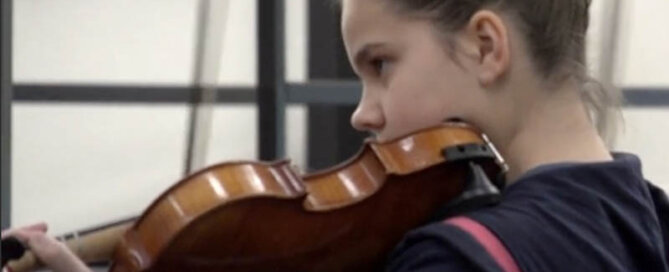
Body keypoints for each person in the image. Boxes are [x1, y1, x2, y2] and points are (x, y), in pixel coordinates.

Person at [3, 0, 668, 271]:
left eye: (380, 65)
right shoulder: (650, 218)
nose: (362, 113)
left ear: (485, 46)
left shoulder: (454, 259)